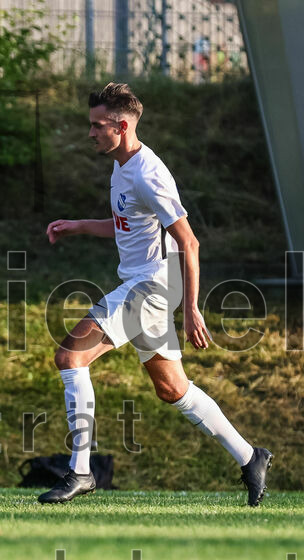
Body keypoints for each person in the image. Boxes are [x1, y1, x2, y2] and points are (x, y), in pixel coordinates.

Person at [41, 82, 271, 506]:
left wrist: (191, 310)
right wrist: (79, 225)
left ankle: (80, 471)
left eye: (97, 125)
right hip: (146, 284)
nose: (90, 133)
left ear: (122, 126)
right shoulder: (121, 164)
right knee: (172, 389)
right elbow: (130, 223)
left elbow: (189, 242)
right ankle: (250, 456)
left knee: (70, 357)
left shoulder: (148, 174)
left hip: (151, 287)